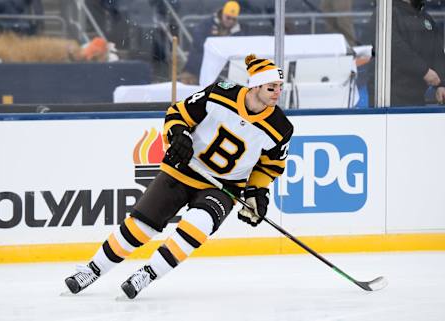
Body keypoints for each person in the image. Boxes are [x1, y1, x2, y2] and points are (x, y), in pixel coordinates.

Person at [64, 54, 294, 299]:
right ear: (255, 85)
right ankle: (92, 269)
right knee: (140, 226)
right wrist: (179, 135)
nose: (277, 93)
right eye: (271, 87)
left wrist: (256, 192)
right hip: (184, 168)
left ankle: (148, 274)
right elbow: (178, 113)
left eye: (280, 87)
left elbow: (269, 167)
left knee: (199, 225)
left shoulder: (281, 127)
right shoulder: (220, 93)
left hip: (223, 187)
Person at [389, 0, 445, 106]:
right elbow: (396, 49)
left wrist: (441, 84)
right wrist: (424, 71)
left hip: (417, 96)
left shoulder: (426, 18)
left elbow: (437, 52)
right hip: (392, 97)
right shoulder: (387, 15)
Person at [180, 1, 246, 85]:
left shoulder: (238, 32)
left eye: (233, 19)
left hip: (220, 74)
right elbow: (197, 41)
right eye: (228, 17)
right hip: (196, 69)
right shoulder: (207, 24)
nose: (230, 21)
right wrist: (215, 50)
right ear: (222, 13)